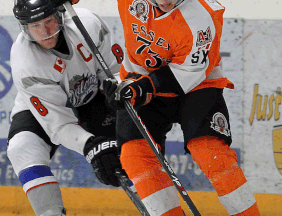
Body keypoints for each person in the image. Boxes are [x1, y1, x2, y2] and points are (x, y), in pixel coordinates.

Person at [103, 0, 261, 215]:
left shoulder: (202, 16)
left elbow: (188, 72)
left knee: (209, 152)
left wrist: (142, 88)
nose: (167, 1)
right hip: (140, 79)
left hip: (197, 84)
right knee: (134, 154)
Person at [7, 0, 125, 215]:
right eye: (35, 26)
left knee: (128, 154)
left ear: (59, 15)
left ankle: (162, 208)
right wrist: (91, 147)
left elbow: (118, 73)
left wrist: (118, 95)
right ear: (24, 28)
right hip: (49, 108)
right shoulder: (25, 62)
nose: (45, 32)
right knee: (22, 147)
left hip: (95, 98)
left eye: (49, 21)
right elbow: (59, 125)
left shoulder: (88, 24)